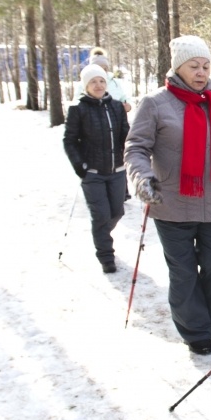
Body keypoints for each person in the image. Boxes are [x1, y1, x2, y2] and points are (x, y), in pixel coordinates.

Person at [124, 35, 211, 355]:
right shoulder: (154, 103)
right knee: (183, 272)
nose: (201, 72)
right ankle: (194, 328)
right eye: (194, 66)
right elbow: (136, 149)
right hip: (172, 205)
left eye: (206, 66)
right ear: (178, 68)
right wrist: (143, 179)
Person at [63, 64, 130, 273]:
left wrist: (129, 153)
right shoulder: (78, 109)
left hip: (117, 170)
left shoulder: (116, 107)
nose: (98, 85)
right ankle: (106, 256)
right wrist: (80, 166)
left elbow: (126, 135)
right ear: (86, 86)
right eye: (93, 82)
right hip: (92, 173)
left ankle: (101, 234)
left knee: (117, 212)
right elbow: (70, 140)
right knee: (101, 215)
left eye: (101, 81)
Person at [88, 48, 131, 112]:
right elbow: (77, 104)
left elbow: (125, 98)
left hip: (115, 119)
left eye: (104, 69)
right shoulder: (85, 83)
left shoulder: (115, 83)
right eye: (99, 69)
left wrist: (128, 106)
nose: (102, 72)